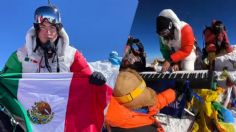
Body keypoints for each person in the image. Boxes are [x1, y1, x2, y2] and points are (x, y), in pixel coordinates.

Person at [0, 5, 106, 131]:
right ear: (36, 30)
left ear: (58, 30)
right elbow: (6, 82)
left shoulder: (72, 55)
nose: (48, 32)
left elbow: (86, 78)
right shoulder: (21, 55)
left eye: (52, 27)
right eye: (43, 28)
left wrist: (95, 79)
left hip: (61, 121)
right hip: (27, 122)